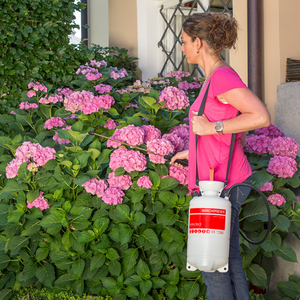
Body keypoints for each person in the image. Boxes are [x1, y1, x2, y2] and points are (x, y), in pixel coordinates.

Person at [170, 12, 271, 300]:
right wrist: (195, 151)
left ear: (198, 43)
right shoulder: (215, 78)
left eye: (184, 41)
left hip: (222, 185)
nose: (182, 47)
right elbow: (224, 127)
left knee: (211, 264)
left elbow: (260, 116)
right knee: (228, 260)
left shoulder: (222, 78)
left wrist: (211, 126)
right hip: (221, 179)